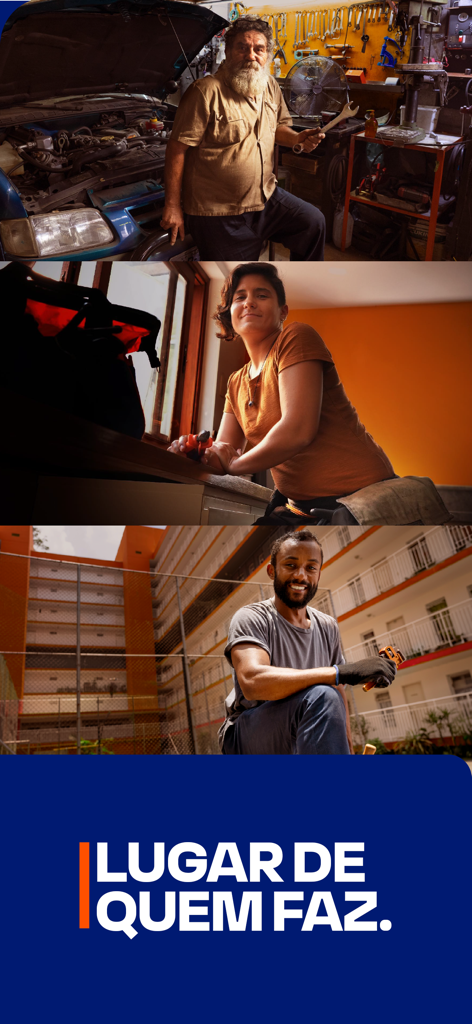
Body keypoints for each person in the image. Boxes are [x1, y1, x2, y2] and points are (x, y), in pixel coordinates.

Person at [168, 262, 396, 524]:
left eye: (261, 295)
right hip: (302, 506)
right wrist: (196, 452)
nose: (249, 302)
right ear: (229, 312)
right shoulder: (235, 382)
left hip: (362, 497)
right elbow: (225, 449)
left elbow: (297, 429)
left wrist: (234, 465)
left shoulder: (296, 336)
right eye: (240, 297)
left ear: (282, 311)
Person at [160, 17, 326, 261]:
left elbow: (277, 128)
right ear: (228, 52)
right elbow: (177, 149)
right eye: (242, 47)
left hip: (265, 197)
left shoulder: (269, 85)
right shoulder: (204, 92)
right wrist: (173, 206)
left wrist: (297, 138)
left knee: (313, 223)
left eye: (259, 49)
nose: (251, 55)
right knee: (235, 281)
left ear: (267, 54)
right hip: (219, 212)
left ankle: (302, 288)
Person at [219, 530, 397, 755]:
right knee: (322, 695)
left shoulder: (327, 625)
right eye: (291, 565)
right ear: (272, 571)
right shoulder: (252, 617)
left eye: (311, 567)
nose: (301, 576)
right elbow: (252, 682)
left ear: (319, 575)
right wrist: (340, 672)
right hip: (247, 734)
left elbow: (338, 692)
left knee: (328, 695)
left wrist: (347, 747)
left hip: (297, 728)